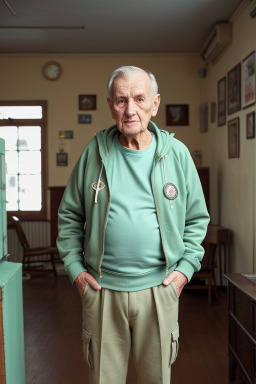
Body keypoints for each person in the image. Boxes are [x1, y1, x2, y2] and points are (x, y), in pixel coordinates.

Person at [57, 65, 210, 384]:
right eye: (121, 100)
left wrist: (184, 271)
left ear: (155, 104)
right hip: (101, 290)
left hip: (160, 288)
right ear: (110, 104)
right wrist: (75, 270)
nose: (130, 110)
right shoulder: (93, 152)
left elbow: (196, 219)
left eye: (139, 99)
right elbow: (70, 215)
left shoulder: (176, 155)